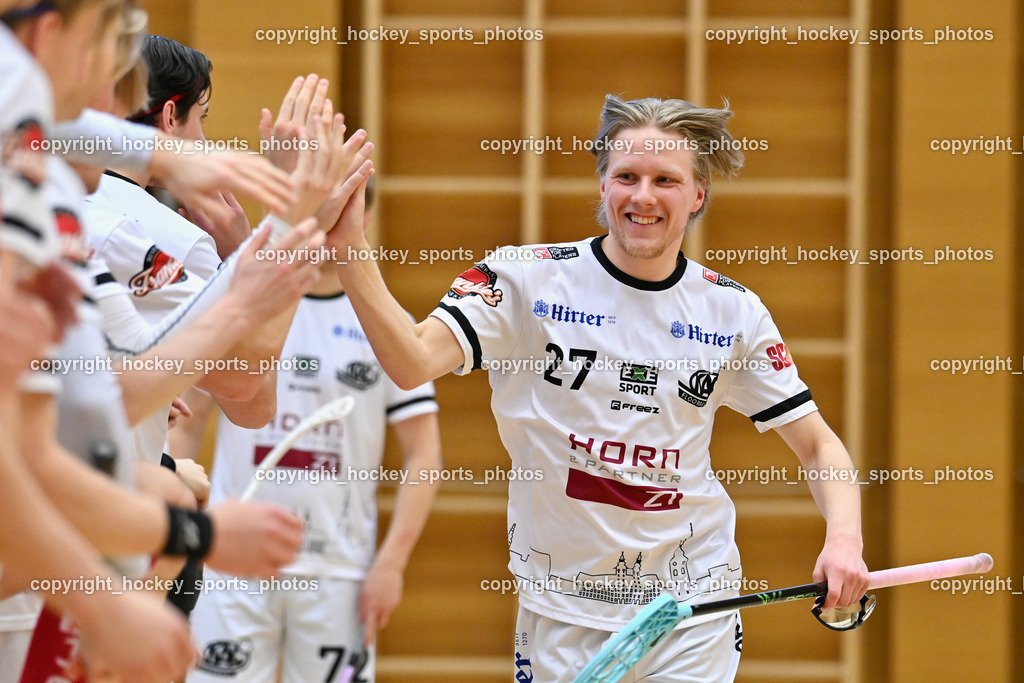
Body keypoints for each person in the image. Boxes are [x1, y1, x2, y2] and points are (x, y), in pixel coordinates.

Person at [328, 95, 869, 681]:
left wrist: (844, 539)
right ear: (602, 184)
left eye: (666, 180)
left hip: (691, 607)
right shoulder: (523, 280)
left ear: (698, 195)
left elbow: (818, 445)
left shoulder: (733, 312)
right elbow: (410, 362)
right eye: (627, 177)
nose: (643, 196)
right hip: (564, 610)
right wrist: (348, 246)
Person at [188, 178, 443, 683]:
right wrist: (186, 531)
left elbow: (424, 456)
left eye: (340, 209)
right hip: (232, 563)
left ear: (362, 218)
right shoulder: (242, 306)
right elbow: (184, 422)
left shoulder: (386, 324)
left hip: (339, 571)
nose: (324, 222)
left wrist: (390, 564)